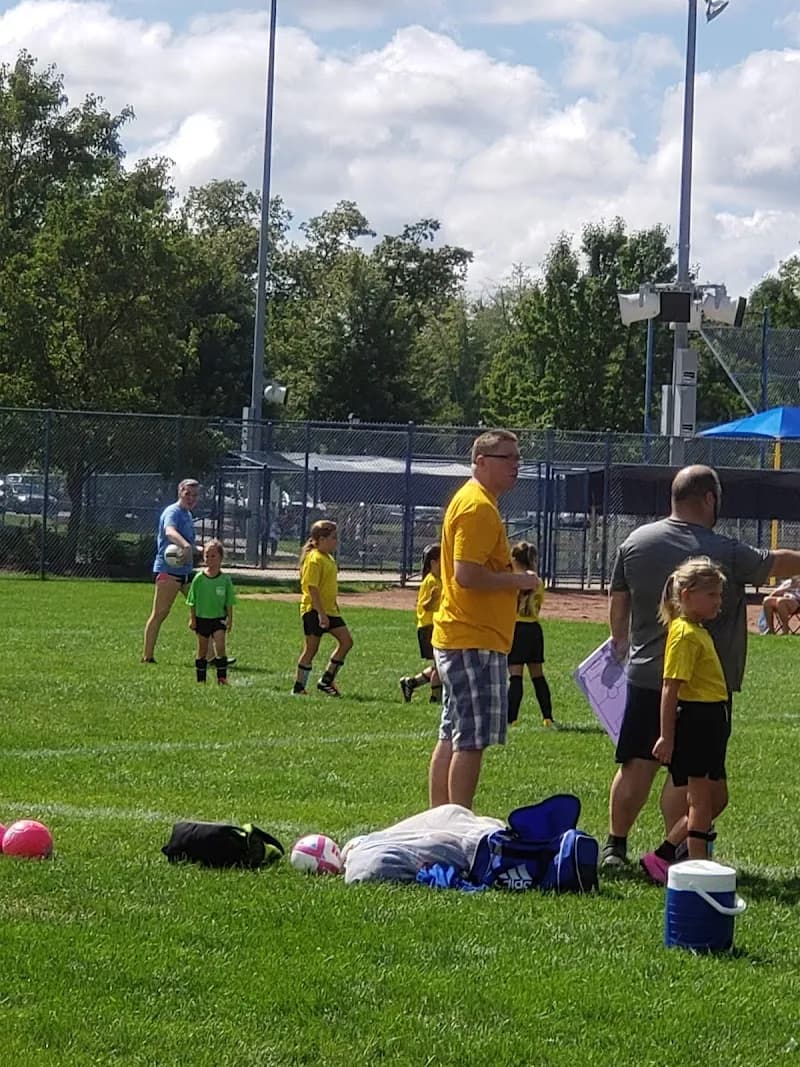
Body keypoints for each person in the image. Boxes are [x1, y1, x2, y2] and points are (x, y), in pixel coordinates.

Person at [603, 464, 800, 869]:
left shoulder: (635, 541)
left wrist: (621, 640)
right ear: (710, 499)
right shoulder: (722, 549)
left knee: (636, 764)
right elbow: (774, 562)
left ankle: (614, 848)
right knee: (693, 778)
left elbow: (617, 598)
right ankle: (669, 852)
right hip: (703, 689)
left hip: (646, 675)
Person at [428, 429, 539, 811]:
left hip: (467, 635)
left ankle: (440, 819)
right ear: (480, 462)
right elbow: (467, 574)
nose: (515, 465)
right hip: (471, 637)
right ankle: (457, 821)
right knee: (470, 738)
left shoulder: (480, 502)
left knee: (452, 732)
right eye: (506, 458)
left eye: (517, 458)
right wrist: (518, 580)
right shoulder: (477, 507)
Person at [639, 558, 729, 883]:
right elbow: (670, 688)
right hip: (697, 724)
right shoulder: (683, 634)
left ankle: (663, 855)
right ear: (688, 594)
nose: (718, 602)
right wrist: (667, 736)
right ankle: (697, 872)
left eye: (719, 595)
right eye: (712, 595)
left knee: (717, 798)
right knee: (701, 802)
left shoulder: (697, 631)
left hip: (713, 721)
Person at [291, 520, 353, 697]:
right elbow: (312, 588)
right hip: (314, 611)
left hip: (329, 610)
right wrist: (320, 614)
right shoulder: (315, 559)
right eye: (333, 538)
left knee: (347, 641)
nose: (336, 541)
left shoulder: (328, 558)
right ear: (321, 539)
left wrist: (332, 607)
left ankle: (327, 680)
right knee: (311, 649)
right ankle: (299, 686)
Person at [142, 478, 201, 664]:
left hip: (185, 572)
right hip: (168, 571)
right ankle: (147, 656)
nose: (191, 498)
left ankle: (209, 656)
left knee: (202, 610)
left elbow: (190, 545)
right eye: (188, 494)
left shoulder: (188, 515)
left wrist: (201, 549)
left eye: (195, 495)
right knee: (160, 613)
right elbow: (169, 532)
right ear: (180, 493)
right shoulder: (173, 511)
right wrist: (184, 545)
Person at [507, 542, 554, 728]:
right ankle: (547, 716)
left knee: (515, 676)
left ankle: (512, 718)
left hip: (517, 629)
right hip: (534, 629)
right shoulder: (538, 582)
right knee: (538, 675)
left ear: (515, 559)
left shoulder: (513, 582)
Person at [187, 539, 236, 685]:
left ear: (221, 558)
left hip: (219, 619)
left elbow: (229, 602)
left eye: (213, 556)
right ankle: (200, 679)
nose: (209, 559)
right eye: (207, 556)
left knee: (220, 646)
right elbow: (192, 601)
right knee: (202, 650)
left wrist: (230, 620)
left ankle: (222, 678)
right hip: (202, 619)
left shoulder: (225, 580)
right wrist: (193, 619)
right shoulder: (199, 579)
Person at [400, 544, 443, 705]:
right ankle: (436, 698)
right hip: (428, 627)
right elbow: (425, 605)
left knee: (440, 664)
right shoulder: (430, 581)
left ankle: (411, 683)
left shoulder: (440, 579)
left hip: (438, 626)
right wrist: (431, 599)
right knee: (440, 666)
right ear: (433, 562)